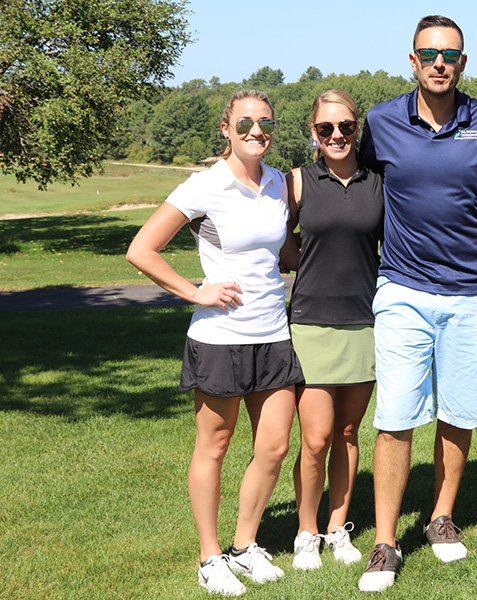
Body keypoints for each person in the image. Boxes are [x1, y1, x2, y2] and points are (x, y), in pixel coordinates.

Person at [355, 15, 477, 592]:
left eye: (450, 54)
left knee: (460, 412)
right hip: (402, 289)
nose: (440, 62)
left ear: (464, 63)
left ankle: (441, 517)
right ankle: (384, 542)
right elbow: (348, 179)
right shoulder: (380, 121)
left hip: (473, 293)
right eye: (429, 53)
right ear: (413, 61)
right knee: (396, 415)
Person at [126, 89, 304, 597]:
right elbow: (142, 249)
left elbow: (284, 252)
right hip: (220, 336)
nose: (256, 131)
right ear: (226, 127)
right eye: (245, 122)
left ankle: (245, 544)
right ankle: (210, 556)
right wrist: (193, 290)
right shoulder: (204, 186)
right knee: (216, 446)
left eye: (265, 122)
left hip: (274, 331)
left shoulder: (277, 184)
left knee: (274, 446)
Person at [283, 89, 383, 570]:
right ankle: (306, 531)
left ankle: (337, 528)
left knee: (347, 431)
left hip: (364, 321)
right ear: (314, 134)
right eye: (326, 129)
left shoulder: (377, 181)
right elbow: (278, 245)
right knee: (316, 438)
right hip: (309, 322)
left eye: (345, 127)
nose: (337, 136)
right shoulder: (297, 182)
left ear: (357, 129)